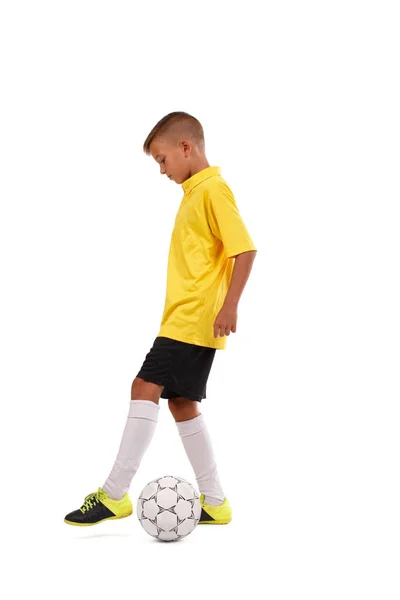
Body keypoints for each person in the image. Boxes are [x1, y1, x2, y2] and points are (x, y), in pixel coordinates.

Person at [64, 111, 257, 527]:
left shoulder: (213, 191)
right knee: (182, 403)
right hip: (184, 319)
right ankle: (216, 501)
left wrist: (230, 305)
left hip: (192, 319)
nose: (162, 169)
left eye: (162, 159)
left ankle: (115, 494)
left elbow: (245, 250)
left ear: (186, 147)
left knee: (143, 386)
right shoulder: (193, 192)